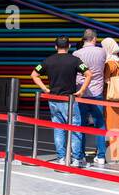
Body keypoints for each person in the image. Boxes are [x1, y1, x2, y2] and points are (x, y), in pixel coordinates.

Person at [30, 37, 83, 165]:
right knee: (75, 128)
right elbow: (89, 74)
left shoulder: (48, 60)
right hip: (69, 100)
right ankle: (76, 159)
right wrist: (81, 90)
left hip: (53, 99)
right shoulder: (75, 60)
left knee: (58, 129)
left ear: (55, 47)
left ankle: (61, 157)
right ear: (69, 46)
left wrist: (45, 89)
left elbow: (34, 74)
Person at [74, 29, 108, 166]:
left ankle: (80, 155)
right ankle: (101, 156)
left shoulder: (77, 53)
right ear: (94, 38)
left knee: (81, 124)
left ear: (83, 39)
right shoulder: (101, 52)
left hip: (81, 92)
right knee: (99, 123)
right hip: (97, 93)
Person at [101, 38, 119, 163]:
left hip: (110, 96)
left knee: (110, 123)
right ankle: (118, 153)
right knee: (118, 123)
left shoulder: (109, 63)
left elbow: (106, 80)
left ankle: (111, 152)